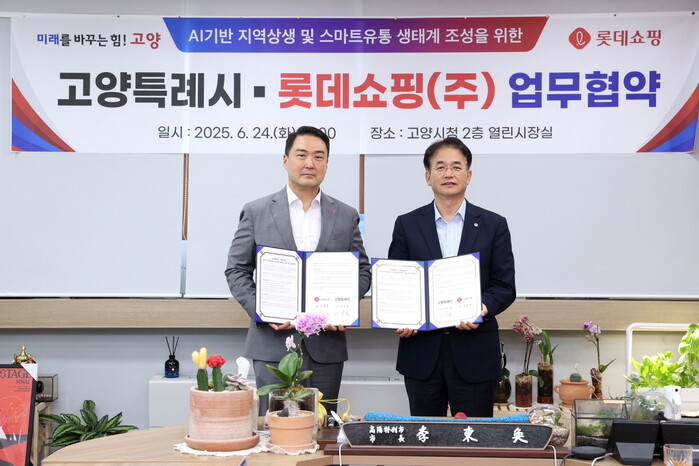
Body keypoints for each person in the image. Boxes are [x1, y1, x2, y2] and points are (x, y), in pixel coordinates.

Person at [225, 125, 371, 415]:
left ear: (327, 163)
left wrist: (341, 309)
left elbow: (362, 271)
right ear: (285, 160)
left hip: (326, 346)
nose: (310, 163)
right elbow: (236, 270)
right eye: (301, 155)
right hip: (272, 345)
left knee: (323, 426)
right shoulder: (256, 211)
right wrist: (263, 311)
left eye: (319, 156)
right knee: (274, 427)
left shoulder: (345, 215)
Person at [388, 137, 516, 417]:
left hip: (474, 352)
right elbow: (397, 284)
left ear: (468, 175)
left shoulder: (494, 224)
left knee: (474, 438)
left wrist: (481, 308)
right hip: (421, 352)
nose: (449, 173)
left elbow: (504, 286)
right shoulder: (407, 224)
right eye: (441, 167)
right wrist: (402, 317)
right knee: (424, 437)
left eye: (456, 167)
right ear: (428, 176)